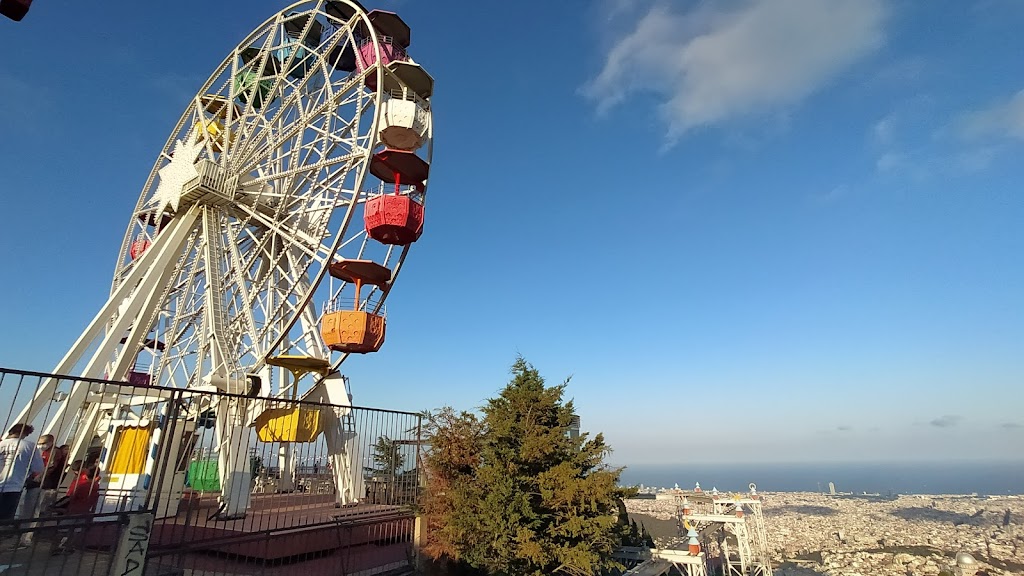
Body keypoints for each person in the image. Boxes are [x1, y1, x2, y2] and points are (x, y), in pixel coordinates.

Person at [18, 437, 69, 546]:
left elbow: (50, 466)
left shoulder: (54, 452)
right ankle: (26, 535)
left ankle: (26, 538)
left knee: (33, 511)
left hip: (42, 484)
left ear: (50, 442)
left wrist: (38, 478)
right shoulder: (46, 452)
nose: (41, 446)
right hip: (40, 483)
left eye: (43, 443)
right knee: (32, 511)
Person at [0, 423, 44, 521]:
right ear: (24, 433)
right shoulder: (29, 446)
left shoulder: (1, 444)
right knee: (5, 519)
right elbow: (38, 468)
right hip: (14, 486)